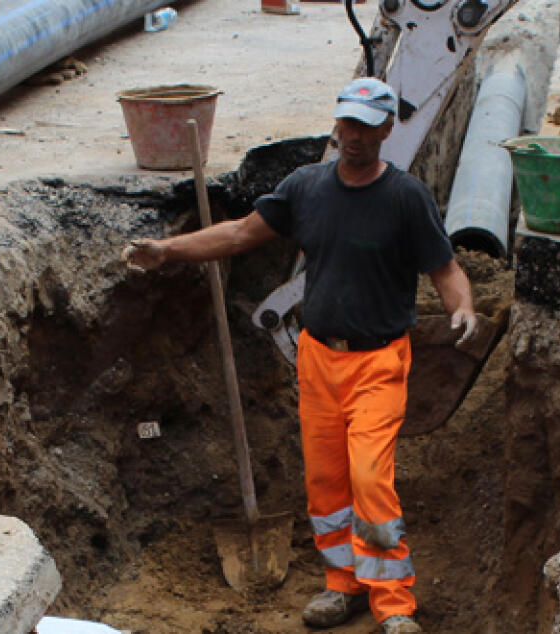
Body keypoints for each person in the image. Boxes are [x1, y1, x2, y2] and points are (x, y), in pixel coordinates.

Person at [121, 77, 477, 634]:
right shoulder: (306, 187)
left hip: (378, 362)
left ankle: (393, 604)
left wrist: (463, 309)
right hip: (317, 358)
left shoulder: (406, 198)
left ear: (387, 128)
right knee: (328, 484)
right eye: (346, 123)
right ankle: (343, 588)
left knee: (369, 478)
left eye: (365, 125)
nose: (352, 135)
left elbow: (445, 268)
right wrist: (168, 251)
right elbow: (240, 233)